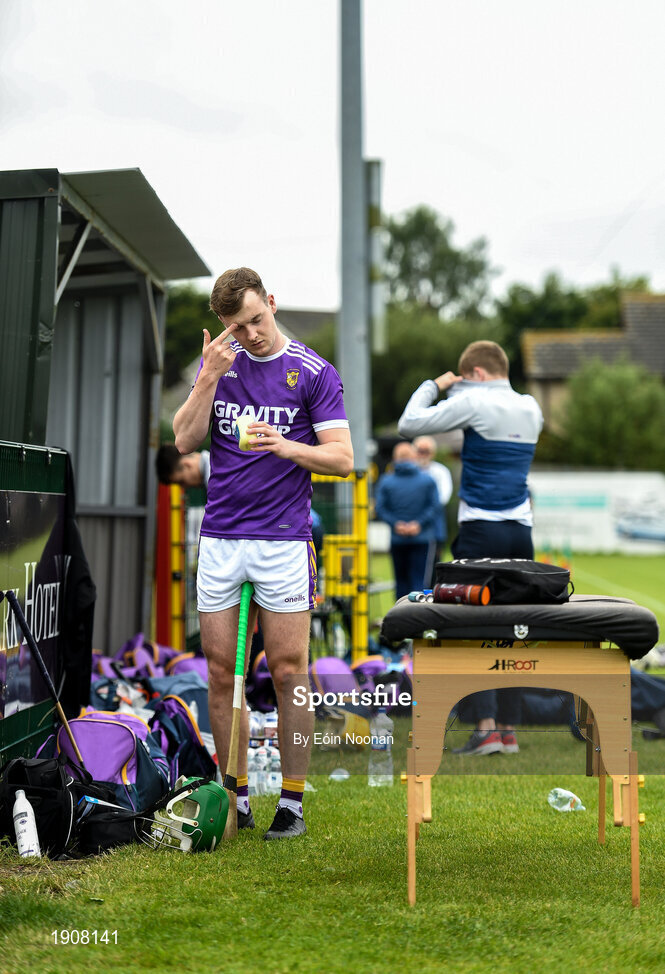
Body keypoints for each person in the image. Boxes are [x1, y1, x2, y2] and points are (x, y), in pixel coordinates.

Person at [173, 267, 353, 839]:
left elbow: (343, 459)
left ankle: (293, 801)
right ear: (222, 326)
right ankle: (237, 795)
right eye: (237, 325)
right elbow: (183, 440)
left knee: (288, 670)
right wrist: (206, 379)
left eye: (257, 318)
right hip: (223, 539)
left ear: (271, 303)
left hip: (282, 541)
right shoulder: (220, 366)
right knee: (222, 674)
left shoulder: (314, 372)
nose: (250, 333)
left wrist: (286, 445)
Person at [398, 340, 543, 755]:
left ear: (477, 374)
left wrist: (438, 384)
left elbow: (410, 424)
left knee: (472, 628)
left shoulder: (476, 401)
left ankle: (485, 728)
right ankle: (509, 729)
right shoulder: (532, 407)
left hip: (481, 530)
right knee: (514, 629)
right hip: (521, 531)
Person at [374, 441, 441, 601]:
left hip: (397, 538)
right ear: (414, 456)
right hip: (422, 538)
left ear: (395, 458)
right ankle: (418, 620)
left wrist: (396, 524)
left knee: (400, 583)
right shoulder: (427, 480)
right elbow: (434, 506)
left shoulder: (386, 481)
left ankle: (400, 619)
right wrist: (418, 524)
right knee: (420, 582)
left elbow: (381, 508)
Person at [413, 435, 453, 568]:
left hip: (433, 527)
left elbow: (443, 498)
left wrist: (422, 517)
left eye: (426, 451)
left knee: (433, 567)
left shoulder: (441, 472)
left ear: (433, 453)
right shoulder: (409, 472)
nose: (423, 455)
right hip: (411, 526)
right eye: (420, 450)